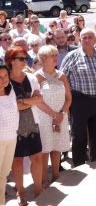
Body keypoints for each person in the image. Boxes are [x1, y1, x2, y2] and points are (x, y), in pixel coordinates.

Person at [60, 28, 96, 167]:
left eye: (90, 37)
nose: (87, 40)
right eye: (84, 37)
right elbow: (62, 79)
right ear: (80, 40)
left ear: (95, 39)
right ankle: (79, 164)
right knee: (79, 135)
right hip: (80, 101)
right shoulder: (71, 56)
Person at [5, 46, 44, 205]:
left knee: (37, 157)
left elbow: (39, 99)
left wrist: (23, 101)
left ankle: (38, 188)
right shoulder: (5, 80)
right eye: (21, 58)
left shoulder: (31, 78)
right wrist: (29, 101)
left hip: (32, 124)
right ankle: (20, 192)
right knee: (18, 161)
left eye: (26, 58)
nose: (25, 61)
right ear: (12, 60)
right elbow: (11, 105)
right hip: (13, 126)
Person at [34, 45, 71, 185]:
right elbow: (36, 101)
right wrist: (53, 114)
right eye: (52, 55)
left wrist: (61, 113)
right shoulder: (36, 77)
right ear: (43, 58)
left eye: (56, 54)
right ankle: (44, 181)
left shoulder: (62, 75)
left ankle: (56, 176)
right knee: (45, 149)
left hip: (60, 116)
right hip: (44, 117)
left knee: (56, 148)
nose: (56, 57)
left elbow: (69, 98)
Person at [0, 64, 18, 205]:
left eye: (5, 76)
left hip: (11, 139)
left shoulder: (11, 90)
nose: (3, 80)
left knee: (3, 176)